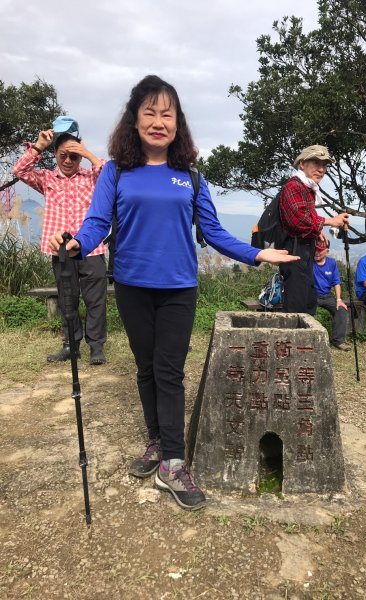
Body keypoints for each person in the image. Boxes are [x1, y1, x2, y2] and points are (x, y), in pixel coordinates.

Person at [48, 75, 299, 511]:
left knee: (169, 371)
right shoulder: (115, 171)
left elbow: (215, 232)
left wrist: (259, 255)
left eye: (168, 114)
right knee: (146, 369)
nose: (159, 121)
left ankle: (173, 463)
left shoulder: (190, 176)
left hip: (179, 288)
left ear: (178, 122)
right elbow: (96, 224)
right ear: (135, 119)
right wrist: (76, 243)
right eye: (150, 113)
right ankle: (155, 441)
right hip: (130, 285)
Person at [13, 119, 108, 365]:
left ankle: (96, 347)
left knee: (95, 300)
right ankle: (70, 345)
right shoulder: (47, 179)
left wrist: (86, 153)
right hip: (60, 251)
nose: (68, 161)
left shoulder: (91, 178)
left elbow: (110, 177)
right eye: (63, 155)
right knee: (68, 299)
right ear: (55, 154)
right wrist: (38, 146)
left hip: (92, 249)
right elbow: (20, 171)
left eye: (74, 157)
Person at [279, 145, 349, 314]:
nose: (321, 169)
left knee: (309, 302)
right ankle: (295, 339)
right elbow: (298, 219)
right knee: (297, 306)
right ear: (302, 164)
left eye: (324, 165)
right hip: (294, 251)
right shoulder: (294, 186)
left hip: (303, 251)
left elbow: (305, 219)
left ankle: (305, 339)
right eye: (316, 163)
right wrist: (330, 221)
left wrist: (317, 232)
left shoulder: (307, 187)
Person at [313, 244, 351, 351]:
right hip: (312, 295)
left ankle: (338, 341)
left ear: (327, 251)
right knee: (308, 311)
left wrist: (339, 299)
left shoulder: (332, 263)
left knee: (341, 310)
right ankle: (311, 338)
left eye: (320, 250)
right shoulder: (309, 262)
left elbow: (336, 282)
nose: (317, 252)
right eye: (315, 249)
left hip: (327, 295)